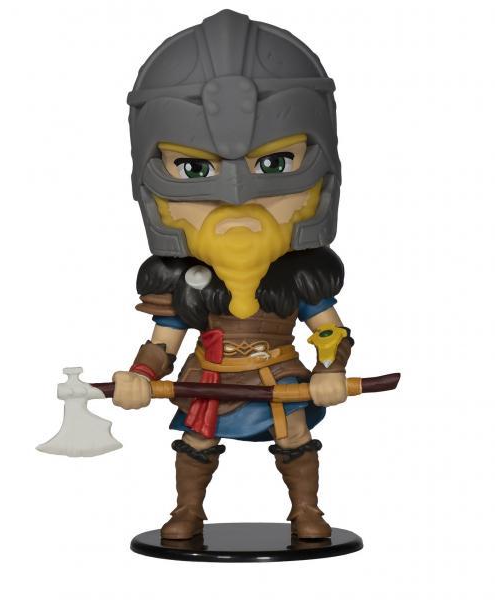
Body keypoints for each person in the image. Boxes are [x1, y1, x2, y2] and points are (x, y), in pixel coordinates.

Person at [112, 9, 353, 541]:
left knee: (293, 437)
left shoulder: (294, 276)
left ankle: (306, 512)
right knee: (197, 443)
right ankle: (187, 512)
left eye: (276, 165)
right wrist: (141, 375)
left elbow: (330, 330)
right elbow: (163, 343)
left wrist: (329, 367)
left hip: (277, 373)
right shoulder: (188, 282)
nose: (239, 206)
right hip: (210, 376)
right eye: (194, 169)